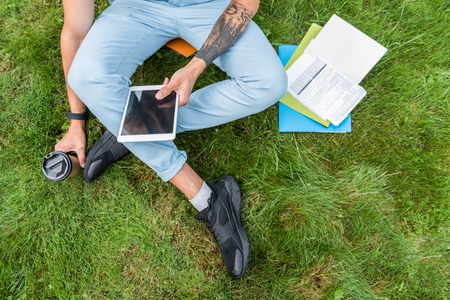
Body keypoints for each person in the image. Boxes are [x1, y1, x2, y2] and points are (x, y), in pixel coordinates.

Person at [56, 0, 288, 279]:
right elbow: (75, 34)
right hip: (137, 7)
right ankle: (207, 199)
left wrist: (195, 67)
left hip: (209, 5)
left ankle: (131, 125)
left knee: (269, 83)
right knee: (85, 75)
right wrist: (76, 122)